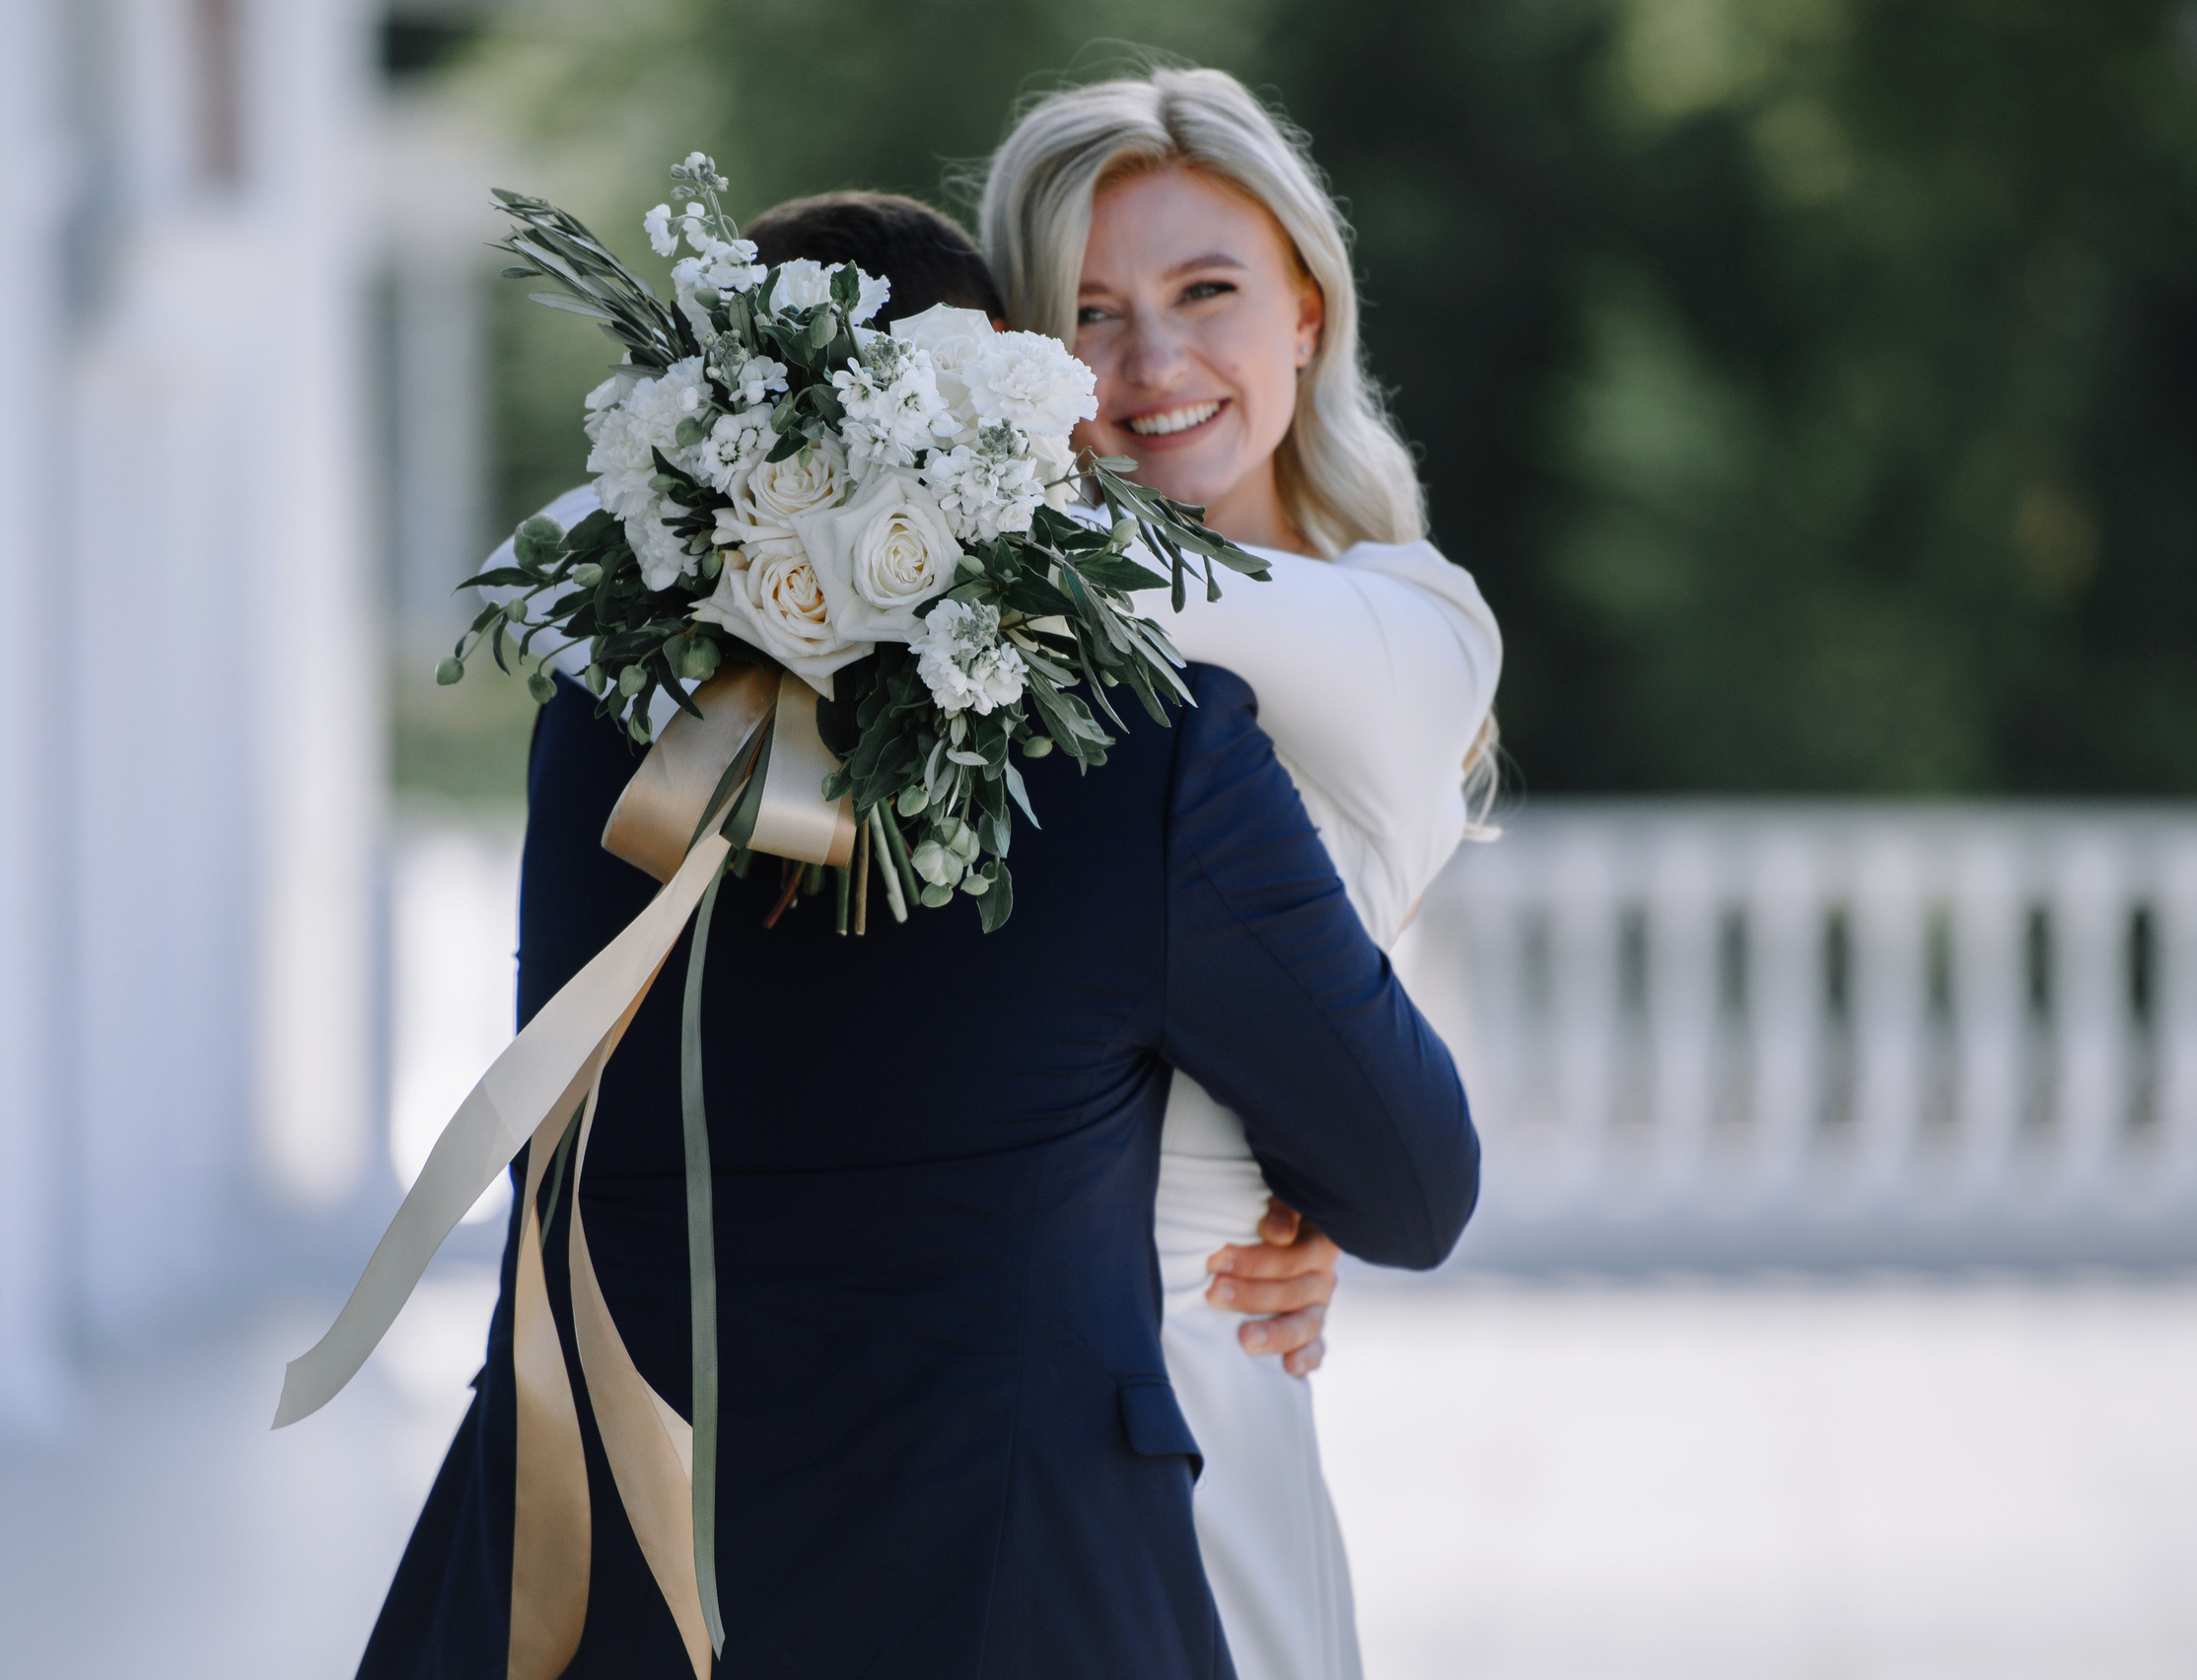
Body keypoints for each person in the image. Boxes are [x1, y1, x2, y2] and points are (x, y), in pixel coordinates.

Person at [356, 187, 1481, 1677]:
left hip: (602, 1592)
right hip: (1009, 1602)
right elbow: (1416, 1184)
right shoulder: (1151, 755)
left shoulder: (596, 728)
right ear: (1005, 399)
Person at [977, 67, 1505, 1680]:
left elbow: (1121, 579)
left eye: (1207, 292)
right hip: (967, 1389)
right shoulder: (987, 635)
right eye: (1086, 316)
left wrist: (897, 459)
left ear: (1305, 308)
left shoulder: (1411, 629)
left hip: (1198, 1371)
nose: (1152, 366)